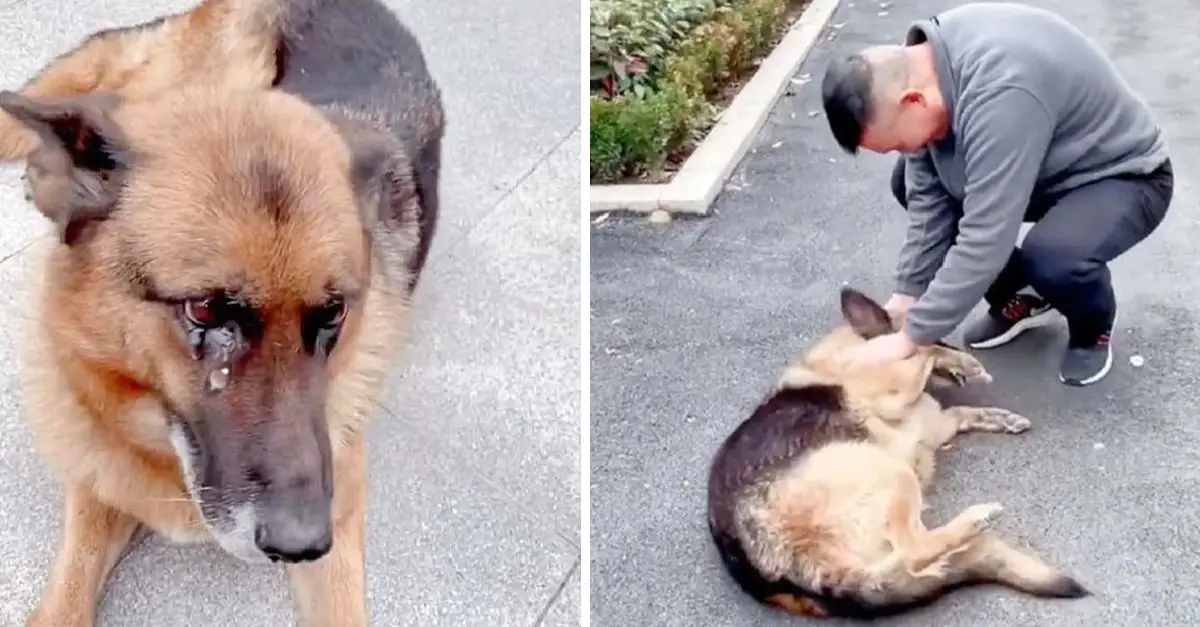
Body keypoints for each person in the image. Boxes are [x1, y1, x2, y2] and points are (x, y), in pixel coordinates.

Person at [819, 2, 1173, 386]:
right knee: (907, 181)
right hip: (1043, 165)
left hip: (1121, 175)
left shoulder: (1003, 90)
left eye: (896, 144)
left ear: (912, 101)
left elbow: (986, 235)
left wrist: (908, 339)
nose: (903, 152)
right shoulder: (924, 69)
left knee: (1053, 256)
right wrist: (909, 294)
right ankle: (1022, 295)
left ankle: (1093, 328)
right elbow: (929, 197)